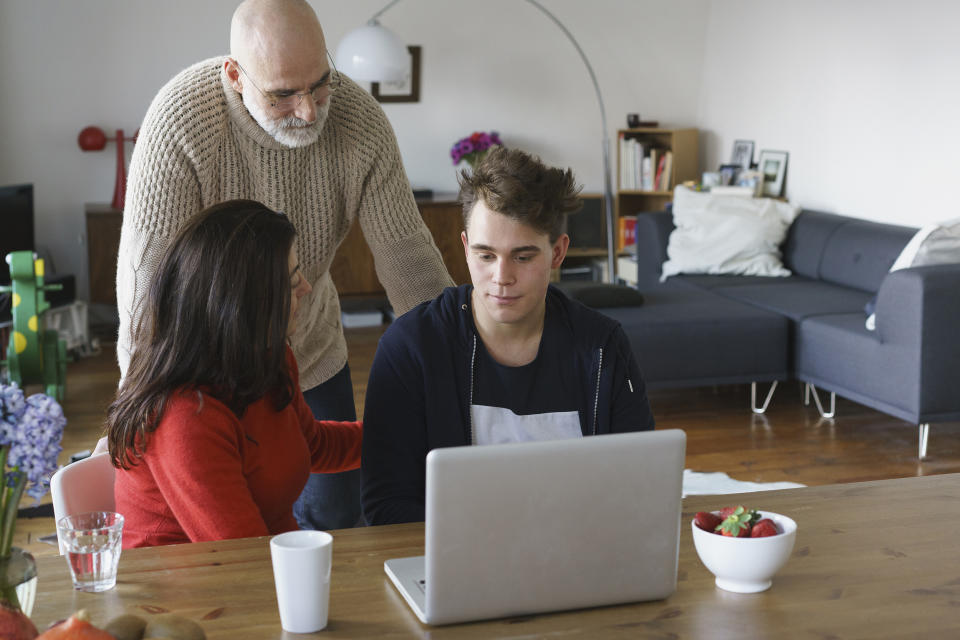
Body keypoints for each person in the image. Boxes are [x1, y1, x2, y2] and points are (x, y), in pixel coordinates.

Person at [115, 0, 453, 530]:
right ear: (235, 75)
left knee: (336, 510)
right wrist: (143, 409)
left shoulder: (360, 123)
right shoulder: (179, 123)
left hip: (300, 350)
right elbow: (147, 291)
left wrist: (457, 374)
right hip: (201, 372)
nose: (310, 110)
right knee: (228, 514)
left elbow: (410, 261)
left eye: (320, 83)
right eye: (283, 94)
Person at [361, 147, 655, 526]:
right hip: (457, 564)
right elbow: (386, 506)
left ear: (557, 252)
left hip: (578, 554)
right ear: (466, 249)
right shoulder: (410, 347)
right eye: (485, 256)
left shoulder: (603, 346)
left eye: (523, 256)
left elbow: (639, 481)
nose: (502, 277)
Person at [108, 200, 362, 548]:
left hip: (265, 572)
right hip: (190, 593)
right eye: (289, 281)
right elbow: (245, 556)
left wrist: (415, 432)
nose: (306, 287)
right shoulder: (185, 417)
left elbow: (311, 444)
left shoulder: (267, 358)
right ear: (243, 304)